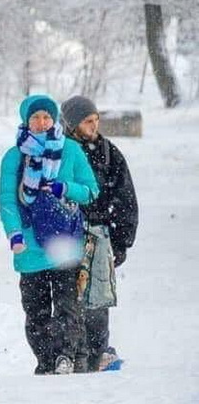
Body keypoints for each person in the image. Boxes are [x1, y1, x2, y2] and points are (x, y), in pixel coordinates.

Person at [0, 94, 99, 375]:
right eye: (36, 118)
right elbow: (7, 198)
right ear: (26, 121)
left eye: (47, 117)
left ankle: (64, 357)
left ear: (54, 119)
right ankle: (45, 360)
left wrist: (64, 188)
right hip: (30, 245)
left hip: (65, 241)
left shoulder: (71, 150)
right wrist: (14, 233)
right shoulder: (14, 156)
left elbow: (91, 191)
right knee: (36, 310)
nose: (42, 123)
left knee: (68, 307)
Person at [61, 95, 138, 371]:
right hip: (66, 233)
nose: (94, 126)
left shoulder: (108, 152)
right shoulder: (60, 152)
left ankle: (99, 352)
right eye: (87, 121)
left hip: (100, 232)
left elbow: (125, 196)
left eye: (96, 120)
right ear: (72, 124)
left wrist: (122, 241)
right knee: (69, 296)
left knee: (98, 295)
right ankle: (72, 354)